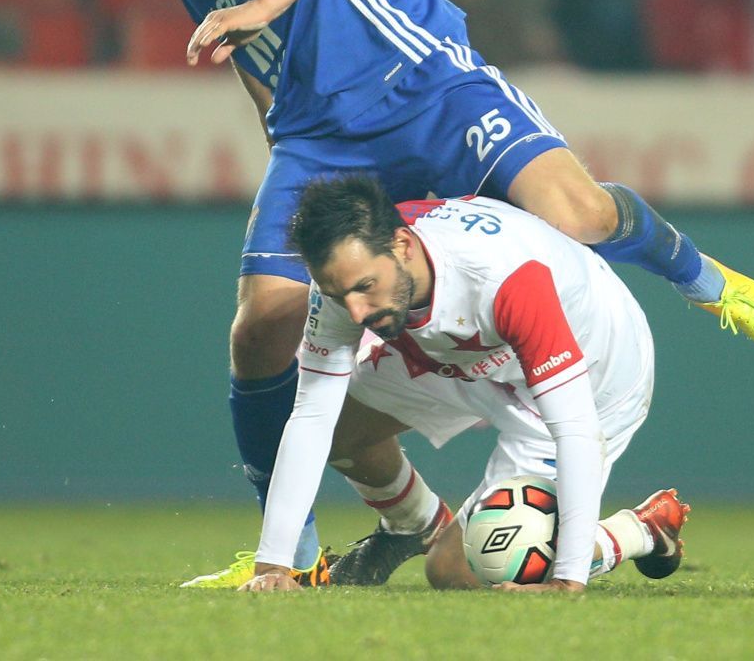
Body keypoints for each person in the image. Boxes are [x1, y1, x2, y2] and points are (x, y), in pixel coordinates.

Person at [15, 0, 754, 587]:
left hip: (423, 79)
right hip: (319, 136)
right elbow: (246, 45)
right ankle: (305, 550)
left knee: (572, 216)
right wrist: (280, 130)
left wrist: (265, 2)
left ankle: (703, 278)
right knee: (263, 325)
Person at [239, 175, 689, 592]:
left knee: (453, 571)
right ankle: (415, 524)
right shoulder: (350, 279)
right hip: (469, 353)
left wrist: (568, 581)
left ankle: (636, 531)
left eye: (365, 287)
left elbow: (576, 429)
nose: (356, 312)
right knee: (338, 429)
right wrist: (273, 567)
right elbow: (312, 415)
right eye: (340, 295)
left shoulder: (503, 277)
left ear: (402, 245)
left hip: (591, 376)